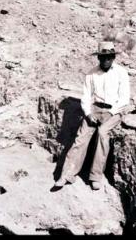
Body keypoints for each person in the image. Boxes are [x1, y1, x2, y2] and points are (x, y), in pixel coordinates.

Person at [53, 41, 130, 191]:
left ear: (114, 57)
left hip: (115, 109)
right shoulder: (91, 73)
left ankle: (95, 176)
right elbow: (86, 97)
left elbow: (124, 99)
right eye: (103, 57)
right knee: (81, 138)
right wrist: (88, 114)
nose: (106, 60)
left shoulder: (121, 73)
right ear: (98, 58)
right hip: (95, 109)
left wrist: (110, 113)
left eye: (109, 57)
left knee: (102, 133)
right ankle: (67, 175)